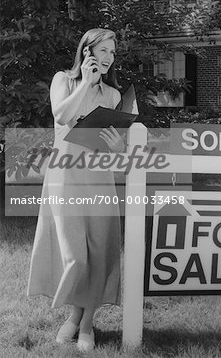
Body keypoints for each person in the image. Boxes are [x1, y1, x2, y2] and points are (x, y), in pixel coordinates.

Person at [27, 28, 125, 352]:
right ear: (87, 52)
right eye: (104, 51)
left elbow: (111, 146)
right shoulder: (62, 81)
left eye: (113, 52)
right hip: (64, 178)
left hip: (99, 180)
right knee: (76, 257)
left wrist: (118, 146)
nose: (109, 58)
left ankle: (83, 322)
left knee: (97, 254)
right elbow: (61, 115)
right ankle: (75, 315)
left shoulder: (112, 96)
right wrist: (85, 84)